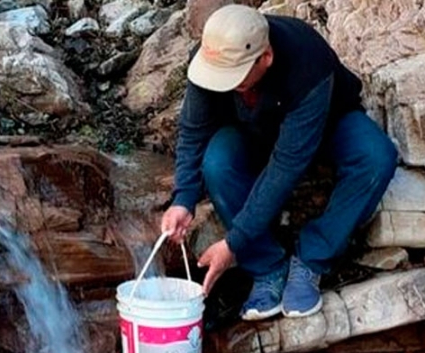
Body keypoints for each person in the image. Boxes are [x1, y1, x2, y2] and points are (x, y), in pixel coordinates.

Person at [161, 4, 398, 321]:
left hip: (325, 126)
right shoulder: (211, 58)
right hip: (251, 132)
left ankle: (312, 260)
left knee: (376, 156)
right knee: (217, 161)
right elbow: (194, 130)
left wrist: (233, 242)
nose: (228, 85)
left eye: (237, 79)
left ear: (266, 57)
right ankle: (267, 269)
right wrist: (184, 198)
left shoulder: (306, 59)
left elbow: (286, 165)